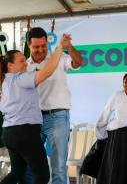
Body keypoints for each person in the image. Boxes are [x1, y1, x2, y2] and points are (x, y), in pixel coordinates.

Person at [22, 27, 83, 184]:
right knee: (28, 168)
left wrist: (69, 47)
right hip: (32, 119)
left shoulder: (59, 57)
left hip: (57, 117)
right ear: (28, 45)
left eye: (44, 45)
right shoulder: (24, 65)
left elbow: (78, 62)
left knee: (58, 168)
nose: (41, 50)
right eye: (36, 46)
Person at [0, 36, 65, 183]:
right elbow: (47, 72)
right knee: (42, 176)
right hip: (25, 132)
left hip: (9, 133)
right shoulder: (20, 78)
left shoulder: (3, 82)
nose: (25, 64)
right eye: (22, 61)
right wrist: (60, 47)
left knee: (16, 173)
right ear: (10, 65)